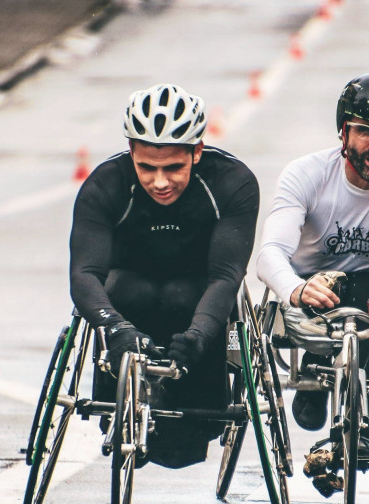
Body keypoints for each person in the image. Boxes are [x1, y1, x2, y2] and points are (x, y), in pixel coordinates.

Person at [256, 73, 369, 495]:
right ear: (343, 132)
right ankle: (317, 381)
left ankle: (359, 425)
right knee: (340, 287)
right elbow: (268, 255)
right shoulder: (306, 174)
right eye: (363, 132)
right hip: (307, 291)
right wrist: (296, 290)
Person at [69, 83, 260, 469]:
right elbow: (85, 273)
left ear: (198, 151)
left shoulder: (232, 182)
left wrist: (200, 335)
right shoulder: (105, 184)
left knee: (181, 295)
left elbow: (226, 276)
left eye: (173, 167)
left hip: (195, 295)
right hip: (129, 294)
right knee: (124, 288)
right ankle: (121, 404)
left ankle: (187, 405)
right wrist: (115, 328)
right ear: (130, 153)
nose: (160, 182)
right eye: (146, 167)